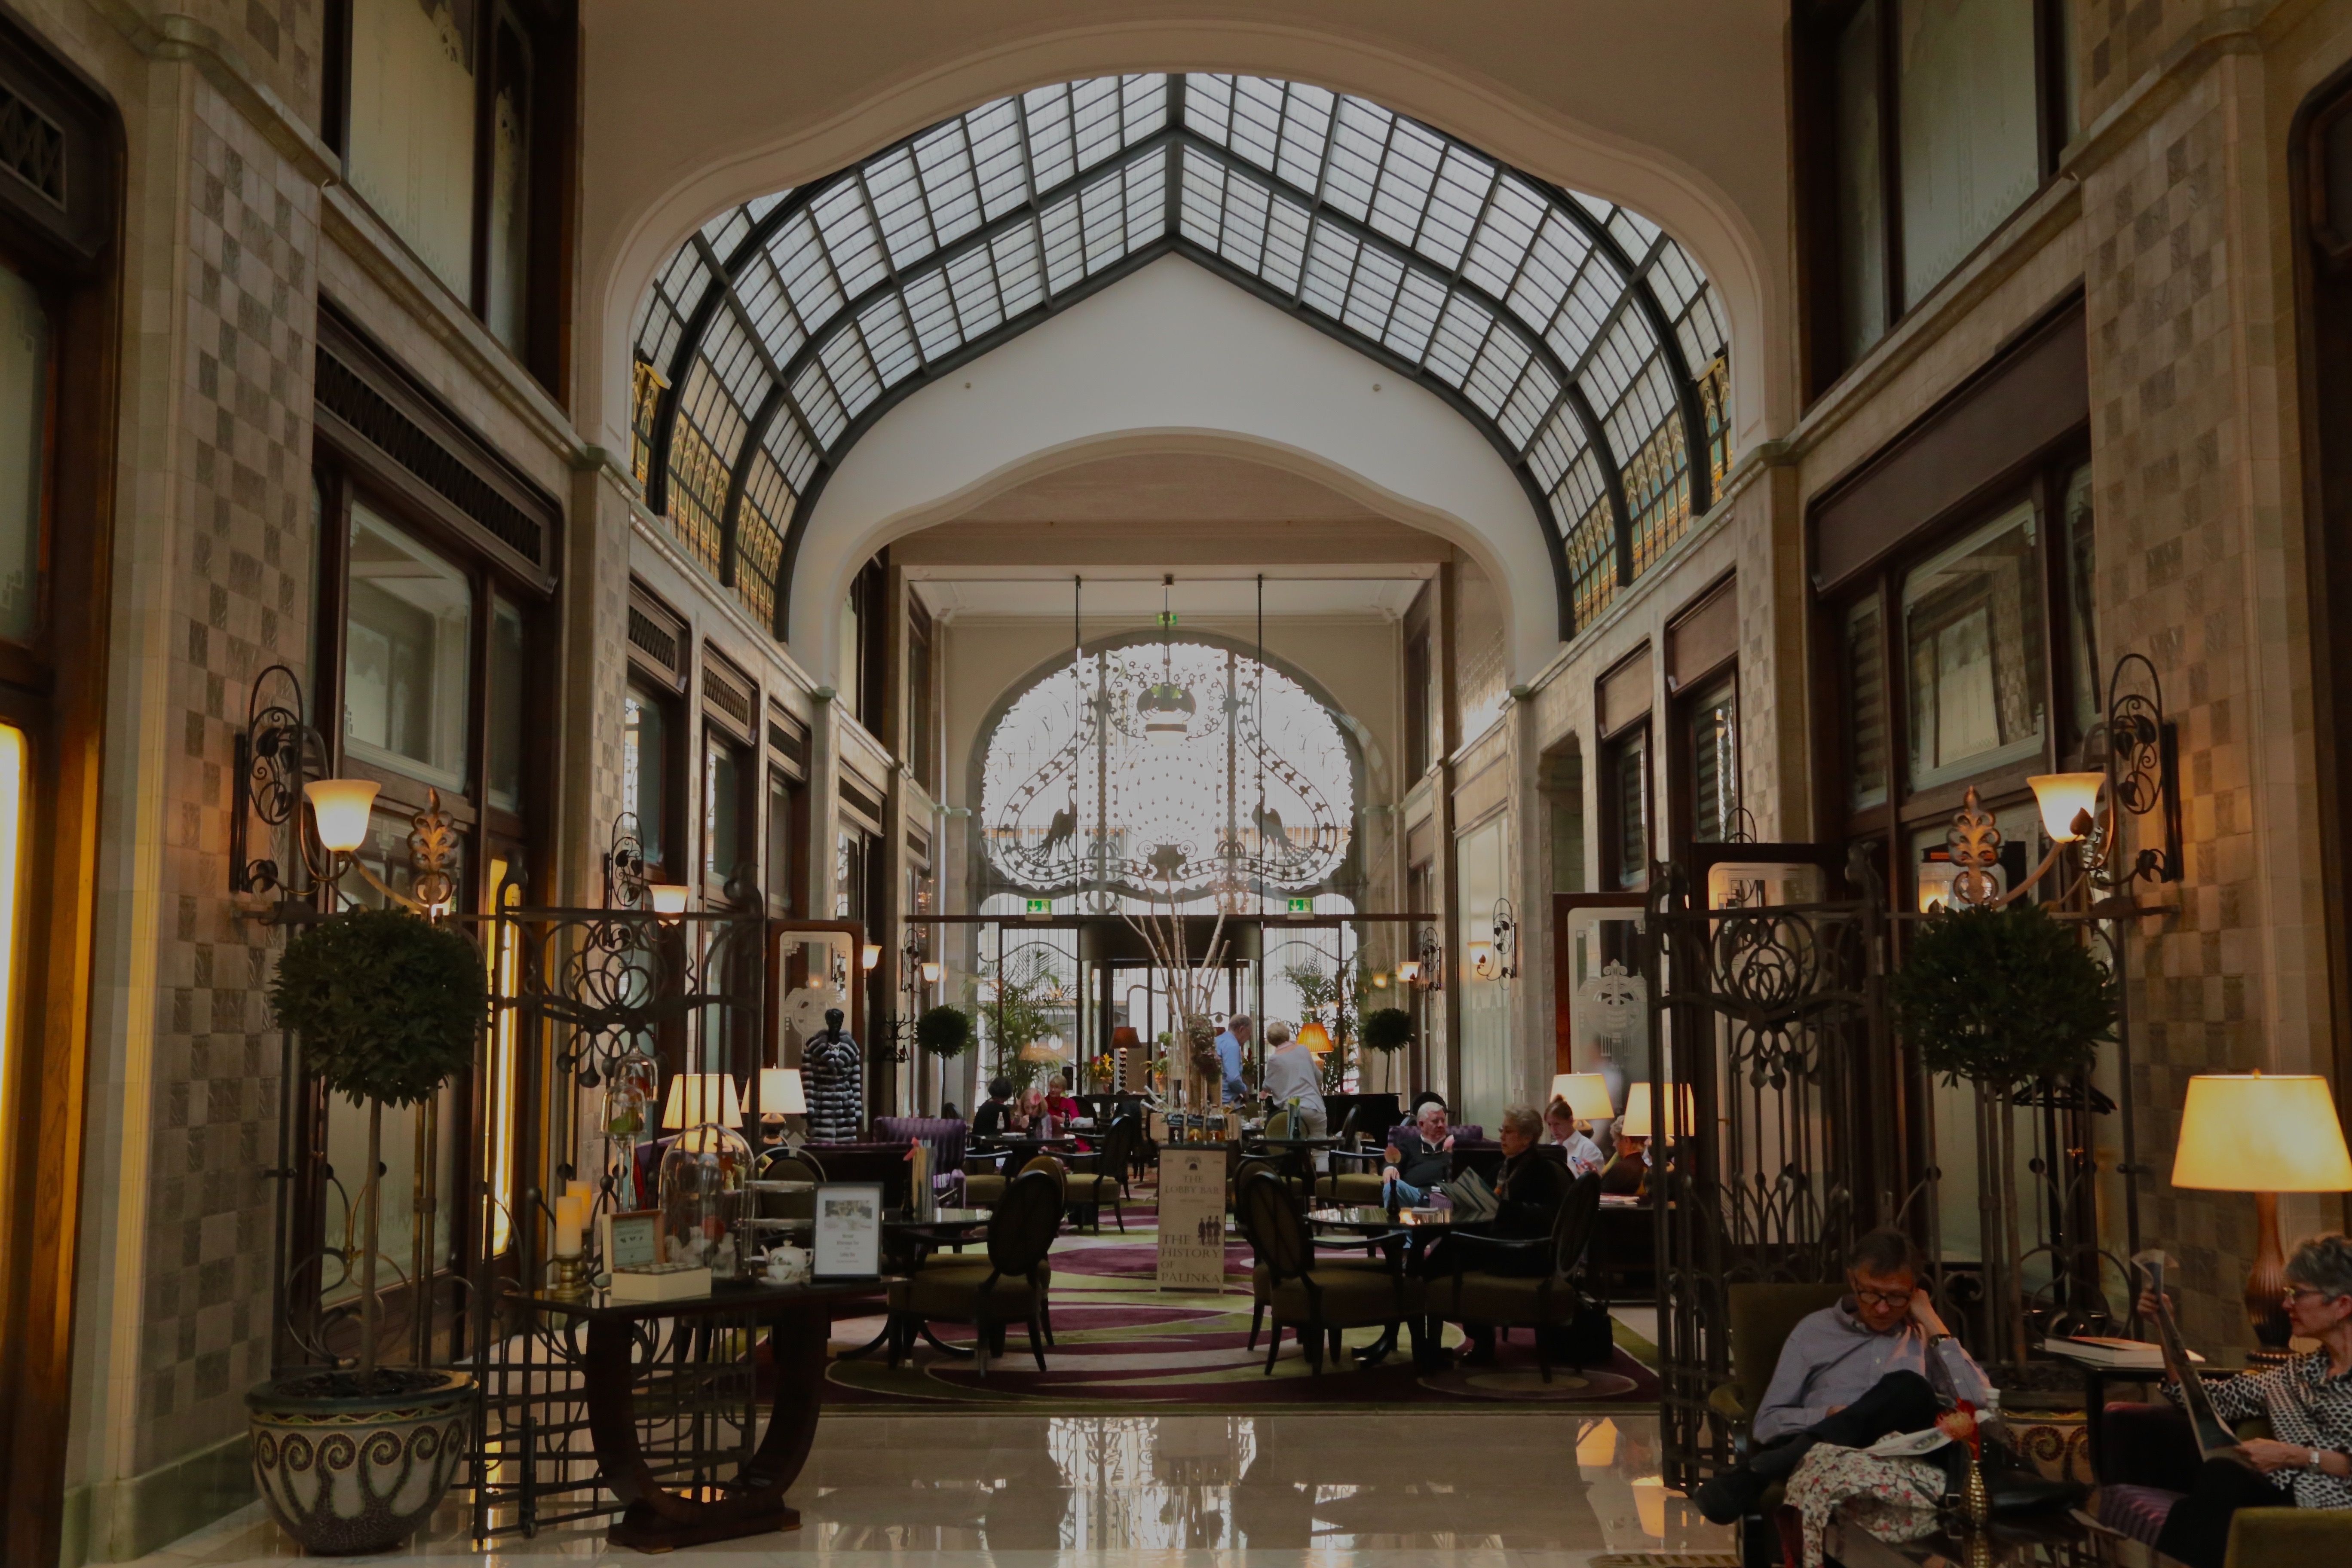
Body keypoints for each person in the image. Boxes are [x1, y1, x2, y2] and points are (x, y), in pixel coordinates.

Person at [1692, 1228, 1991, 1525]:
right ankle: (1801, 1451)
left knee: (1911, 1389)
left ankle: (1764, 1469)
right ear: (1852, 1279)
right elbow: (1767, 1423)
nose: (1883, 1308)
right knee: (1908, 1386)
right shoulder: (1813, 1332)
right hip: (1831, 1457)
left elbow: (1978, 1400)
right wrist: (1830, 1416)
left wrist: (1933, 1321)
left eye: (1898, 1297)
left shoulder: (1924, 1334)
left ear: (1915, 1291)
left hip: (1905, 1458)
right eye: (1871, 1293)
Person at [2115, 1234, 2352, 1568]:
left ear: (2342, 1305)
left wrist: (2295, 1456)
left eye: (2296, 1294)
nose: (2286, 1305)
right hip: (2283, 1501)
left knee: (2214, 1492)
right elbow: (2199, 1399)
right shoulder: (2293, 1374)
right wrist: (2164, 1326)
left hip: (2339, 1515)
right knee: (2218, 1480)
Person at [1431, 1104, 1574, 1363]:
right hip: (1499, 1243)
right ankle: (1434, 1333)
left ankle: (1468, 1344)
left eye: (1508, 1131)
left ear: (1528, 1138)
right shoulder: (1502, 1167)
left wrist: (1504, 1209)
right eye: (1502, 1130)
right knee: (1446, 1252)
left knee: (1446, 1256)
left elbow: (1548, 1219)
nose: (1502, 1137)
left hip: (1524, 1252)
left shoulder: (1541, 1170)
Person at [1258, 1019, 1328, 1138]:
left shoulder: (1274, 1060)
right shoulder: (1303, 1050)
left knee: (1294, 1148)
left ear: (1271, 1040)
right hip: (1314, 1106)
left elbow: (1267, 1086)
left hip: (1293, 1108)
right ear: (1287, 1034)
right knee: (1320, 1150)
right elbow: (1319, 1077)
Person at [1382, 1099, 1455, 1207]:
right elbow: (1394, 1161)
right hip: (1417, 1196)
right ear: (1421, 1124)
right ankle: (1396, 1223)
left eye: (1443, 1121)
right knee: (1392, 1187)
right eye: (1435, 1121)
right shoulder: (1409, 1145)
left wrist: (1457, 1145)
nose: (1441, 1125)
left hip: (1448, 1196)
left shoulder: (1455, 1145)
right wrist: (1390, 1168)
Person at [1546, 1096, 1606, 1177]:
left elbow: (1593, 1185)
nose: (1553, 1130)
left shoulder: (1588, 1149)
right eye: (1550, 1125)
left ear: (1570, 1120)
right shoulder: (1551, 1149)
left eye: (1557, 1124)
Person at [1600, 1117, 1649, 1197]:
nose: (1614, 1144)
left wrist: (1587, 1177)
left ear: (1627, 1141)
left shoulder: (1622, 1169)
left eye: (1616, 1140)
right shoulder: (1645, 1167)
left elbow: (1599, 1195)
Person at [1214, 1014, 1253, 1106]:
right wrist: (1245, 1091)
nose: (1247, 1039)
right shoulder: (1232, 1045)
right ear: (1242, 1030)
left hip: (1215, 1099)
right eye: (1248, 1035)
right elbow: (1233, 1078)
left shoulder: (1217, 1041)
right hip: (1228, 1103)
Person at [970, 1078, 1015, 1142]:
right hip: (991, 1147)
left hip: (976, 1145)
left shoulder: (984, 1106)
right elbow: (1007, 1131)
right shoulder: (1003, 1109)